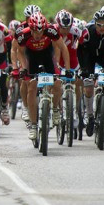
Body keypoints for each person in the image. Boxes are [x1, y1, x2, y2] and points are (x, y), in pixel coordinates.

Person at [16, 12, 72, 141]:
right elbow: (20, 52)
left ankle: (56, 109)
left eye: (41, 32)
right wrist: (24, 68)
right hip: (32, 57)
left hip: (47, 56)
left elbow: (63, 48)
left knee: (57, 82)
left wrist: (68, 69)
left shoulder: (51, 30)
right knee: (31, 86)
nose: (38, 35)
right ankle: (34, 125)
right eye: (35, 32)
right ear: (30, 28)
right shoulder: (23, 34)